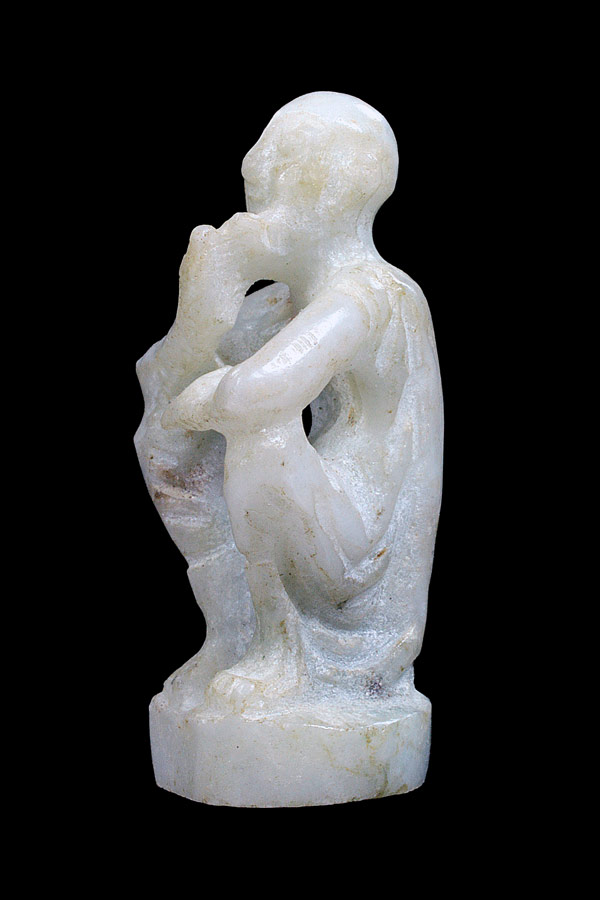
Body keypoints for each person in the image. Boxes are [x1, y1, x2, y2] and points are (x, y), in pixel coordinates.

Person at [162, 92, 443, 709]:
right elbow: (164, 406)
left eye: (278, 162)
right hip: (327, 527)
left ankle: (282, 651)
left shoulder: (373, 295)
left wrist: (201, 399)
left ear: (335, 191)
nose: (253, 172)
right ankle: (232, 633)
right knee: (183, 446)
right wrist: (199, 312)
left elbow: (256, 394)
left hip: (360, 559)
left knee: (263, 437)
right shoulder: (287, 302)